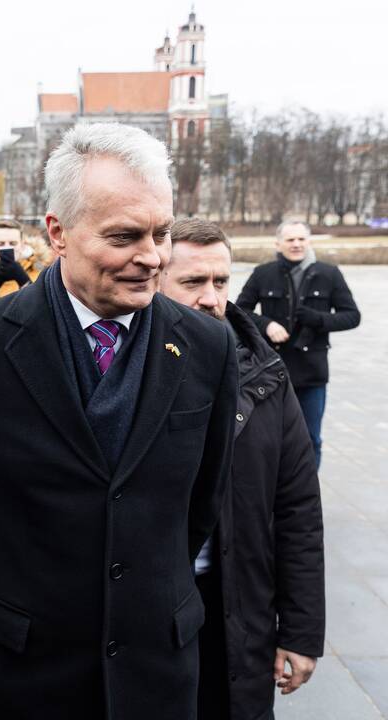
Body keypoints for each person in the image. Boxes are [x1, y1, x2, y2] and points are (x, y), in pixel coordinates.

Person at [0, 123, 237, 719]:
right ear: (57, 233)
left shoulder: (208, 347)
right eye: (124, 236)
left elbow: (202, 502)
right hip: (17, 671)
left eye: (161, 233)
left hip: (153, 672)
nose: (152, 257)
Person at [161, 218, 325, 720]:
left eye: (220, 281)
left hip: (237, 606)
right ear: (154, 280)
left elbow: (297, 508)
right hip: (147, 612)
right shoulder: (124, 370)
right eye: (192, 282)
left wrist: (300, 632)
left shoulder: (266, 374)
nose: (211, 298)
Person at [236, 221, 360, 468]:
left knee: (310, 438)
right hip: (272, 372)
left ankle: (307, 497)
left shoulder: (329, 273)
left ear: (309, 241)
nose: (296, 244)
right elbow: (240, 310)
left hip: (312, 373)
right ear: (278, 243)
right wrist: (267, 325)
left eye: (301, 239)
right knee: (271, 438)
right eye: (290, 239)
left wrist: (319, 319)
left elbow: (352, 316)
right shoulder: (263, 273)